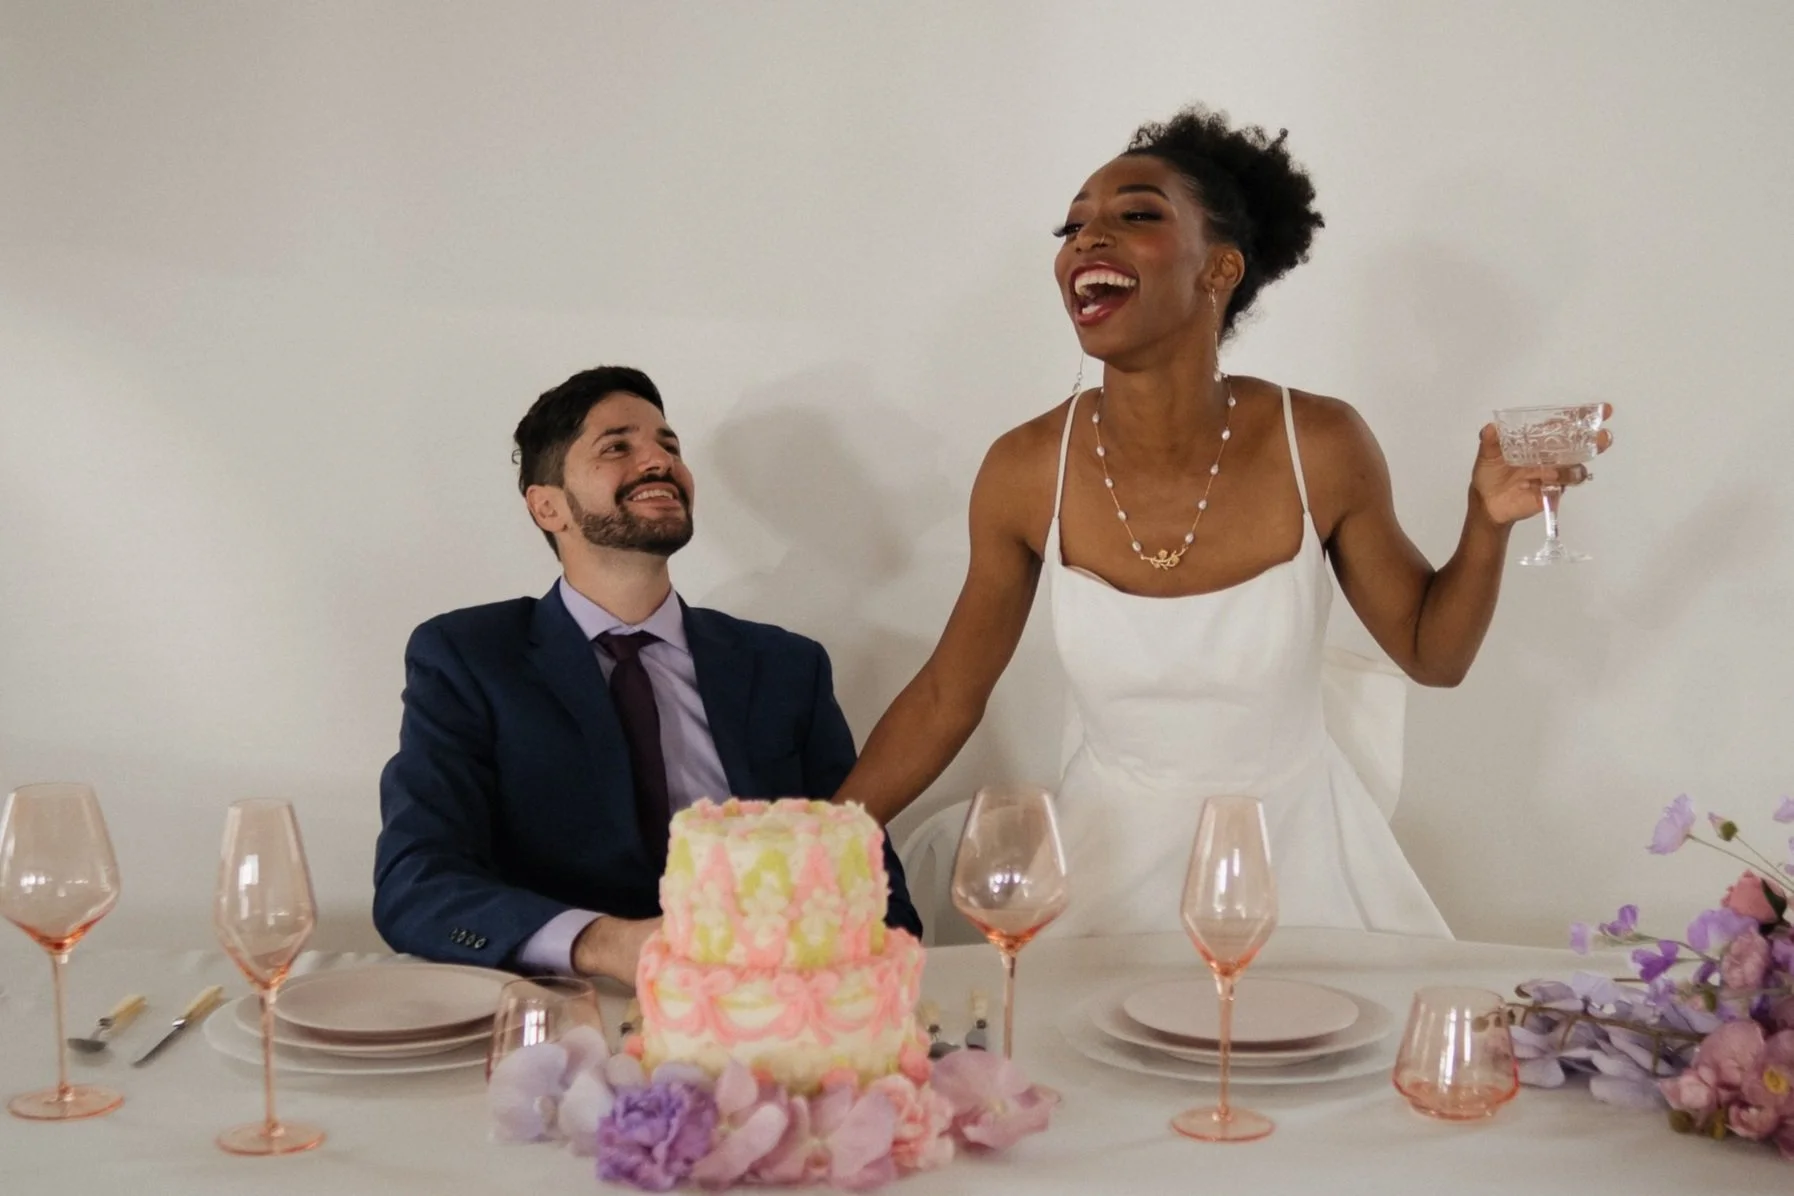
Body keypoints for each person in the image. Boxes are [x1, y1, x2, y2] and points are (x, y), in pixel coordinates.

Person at [835, 107, 1612, 937]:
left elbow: (1434, 654)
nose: (1087, 240)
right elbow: (948, 695)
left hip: (1303, 874)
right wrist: (815, 839)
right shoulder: (1024, 471)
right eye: (1072, 226)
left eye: (1136, 214)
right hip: (1102, 886)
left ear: (1220, 269)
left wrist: (1486, 520)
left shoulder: (1320, 442)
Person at [373, 366, 923, 982]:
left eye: (669, 445)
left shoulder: (786, 666)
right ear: (547, 505)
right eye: (617, 446)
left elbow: (871, 879)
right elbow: (417, 884)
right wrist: (609, 944)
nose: (659, 461)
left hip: (772, 1003)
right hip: (568, 1008)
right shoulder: (469, 657)